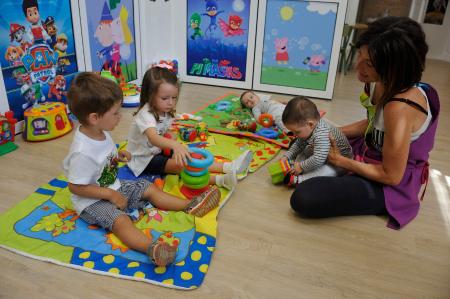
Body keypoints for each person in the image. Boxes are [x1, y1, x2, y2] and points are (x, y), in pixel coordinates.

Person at [289, 17, 439, 230]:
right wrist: (332, 132)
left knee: (304, 198)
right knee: (307, 136)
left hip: (388, 180)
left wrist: (341, 161)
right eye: (360, 54)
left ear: (393, 68)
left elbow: (392, 175)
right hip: (369, 151)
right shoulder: (381, 83)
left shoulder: (401, 107)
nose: (357, 65)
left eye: (368, 63)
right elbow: (372, 124)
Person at [63, 72, 221, 267]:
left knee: (148, 188)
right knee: (120, 221)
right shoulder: (82, 152)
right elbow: (75, 187)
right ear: (95, 118)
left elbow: (103, 158)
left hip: (113, 186)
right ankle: (152, 248)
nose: (120, 117)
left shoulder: (100, 132)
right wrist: (111, 195)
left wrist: (119, 156)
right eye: (115, 113)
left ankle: (190, 205)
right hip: (92, 202)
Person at [127, 66, 253, 188]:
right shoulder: (146, 114)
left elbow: (162, 131)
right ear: (150, 95)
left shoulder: (165, 110)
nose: (170, 102)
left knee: (188, 155)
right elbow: (153, 138)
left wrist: (171, 139)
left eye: (174, 97)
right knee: (181, 165)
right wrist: (175, 145)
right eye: (165, 98)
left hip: (158, 150)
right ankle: (220, 180)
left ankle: (229, 167)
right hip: (143, 160)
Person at [281, 96, 352, 186]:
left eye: (297, 132)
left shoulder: (321, 134)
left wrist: (301, 166)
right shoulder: (309, 128)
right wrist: (287, 156)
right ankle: (295, 166)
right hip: (322, 153)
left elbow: (318, 159)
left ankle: (299, 180)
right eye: (293, 131)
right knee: (304, 150)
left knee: (327, 171)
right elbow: (298, 144)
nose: (294, 135)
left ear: (310, 124)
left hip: (340, 162)